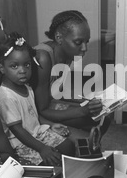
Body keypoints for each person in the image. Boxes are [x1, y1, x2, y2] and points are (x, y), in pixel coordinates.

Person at [0, 32, 76, 166]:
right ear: (2, 68)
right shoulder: (6, 96)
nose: (22, 70)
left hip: (37, 133)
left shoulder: (27, 87)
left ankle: (68, 173)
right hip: (20, 142)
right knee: (49, 161)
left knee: (68, 146)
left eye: (27, 65)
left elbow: (33, 115)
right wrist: (42, 148)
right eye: (14, 66)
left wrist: (51, 126)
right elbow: (18, 130)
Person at [31, 10, 110, 139]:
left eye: (86, 42)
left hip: (49, 104)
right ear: (59, 38)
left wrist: (87, 101)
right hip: (35, 114)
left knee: (103, 118)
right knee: (86, 138)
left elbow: (55, 91)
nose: (84, 48)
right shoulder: (43, 58)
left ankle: (90, 149)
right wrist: (82, 110)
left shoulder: (68, 54)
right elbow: (42, 110)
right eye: (78, 42)